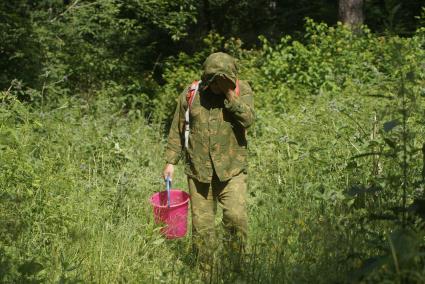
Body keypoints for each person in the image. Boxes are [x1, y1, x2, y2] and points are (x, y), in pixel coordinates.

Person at [162, 52, 255, 271]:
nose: (216, 85)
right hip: (199, 171)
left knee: (236, 217)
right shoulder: (191, 94)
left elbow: (248, 119)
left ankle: (236, 268)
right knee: (202, 228)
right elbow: (178, 128)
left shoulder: (243, 90)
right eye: (213, 80)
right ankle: (206, 272)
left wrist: (230, 94)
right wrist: (170, 162)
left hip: (232, 170)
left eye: (221, 80)